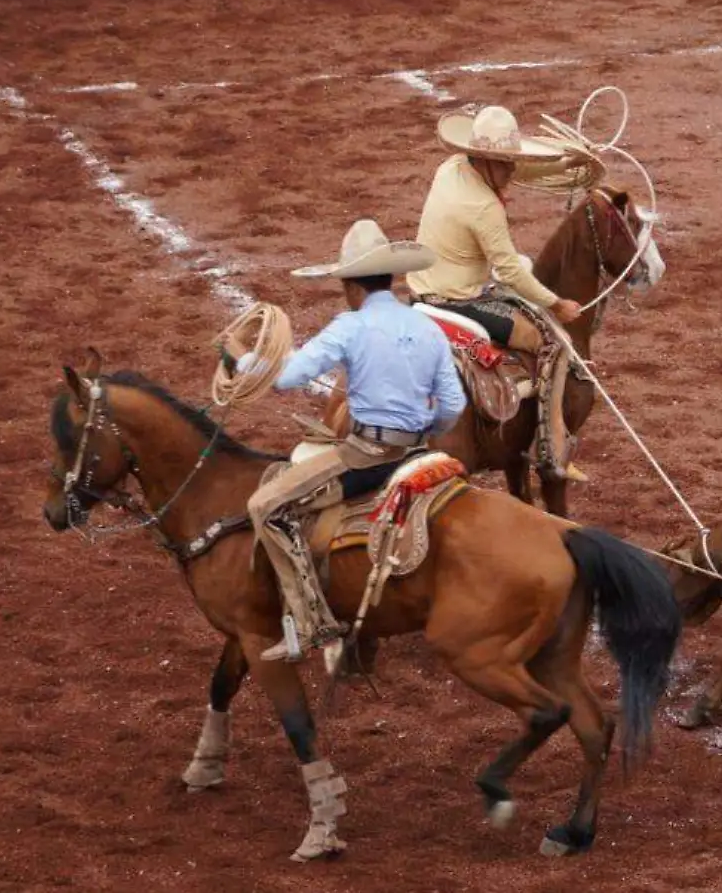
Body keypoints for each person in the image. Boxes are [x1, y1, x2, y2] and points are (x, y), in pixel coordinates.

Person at [243, 219, 466, 663]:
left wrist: (244, 359)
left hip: (367, 454)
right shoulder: (426, 327)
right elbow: (453, 404)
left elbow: (287, 377)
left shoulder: (350, 326)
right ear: (389, 277)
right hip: (420, 449)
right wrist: (426, 432)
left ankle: (310, 623)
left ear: (350, 285)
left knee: (264, 506)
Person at [408, 104, 593, 474]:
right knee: (549, 343)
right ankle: (551, 442)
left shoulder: (451, 168)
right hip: (459, 300)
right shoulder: (483, 208)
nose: (511, 170)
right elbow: (510, 272)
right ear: (487, 159)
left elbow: (522, 171)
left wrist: (563, 164)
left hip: (421, 289)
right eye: (505, 162)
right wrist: (556, 304)